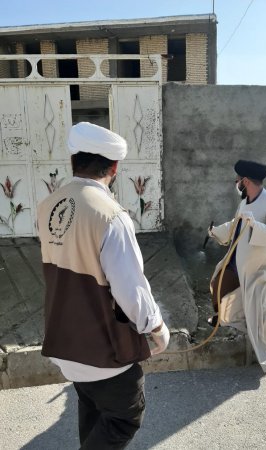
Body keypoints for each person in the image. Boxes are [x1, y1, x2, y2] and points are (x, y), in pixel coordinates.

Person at [37, 122, 170, 449]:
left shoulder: (49, 206)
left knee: (93, 411)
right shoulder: (111, 215)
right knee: (125, 416)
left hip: (65, 344)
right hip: (102, 352)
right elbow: (131, 290)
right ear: (114, 167)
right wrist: (157, 328)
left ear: (74, 161)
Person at [208, 159, 266, 373]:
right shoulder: (244, 203)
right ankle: (223, 318)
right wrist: (216, 232)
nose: (236, 183)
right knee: (218, 285)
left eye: (238, 180)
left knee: (261, 313)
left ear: (246, 181)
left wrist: (256, 225)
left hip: (259, 268)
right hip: (236, 262)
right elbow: (237, 226)